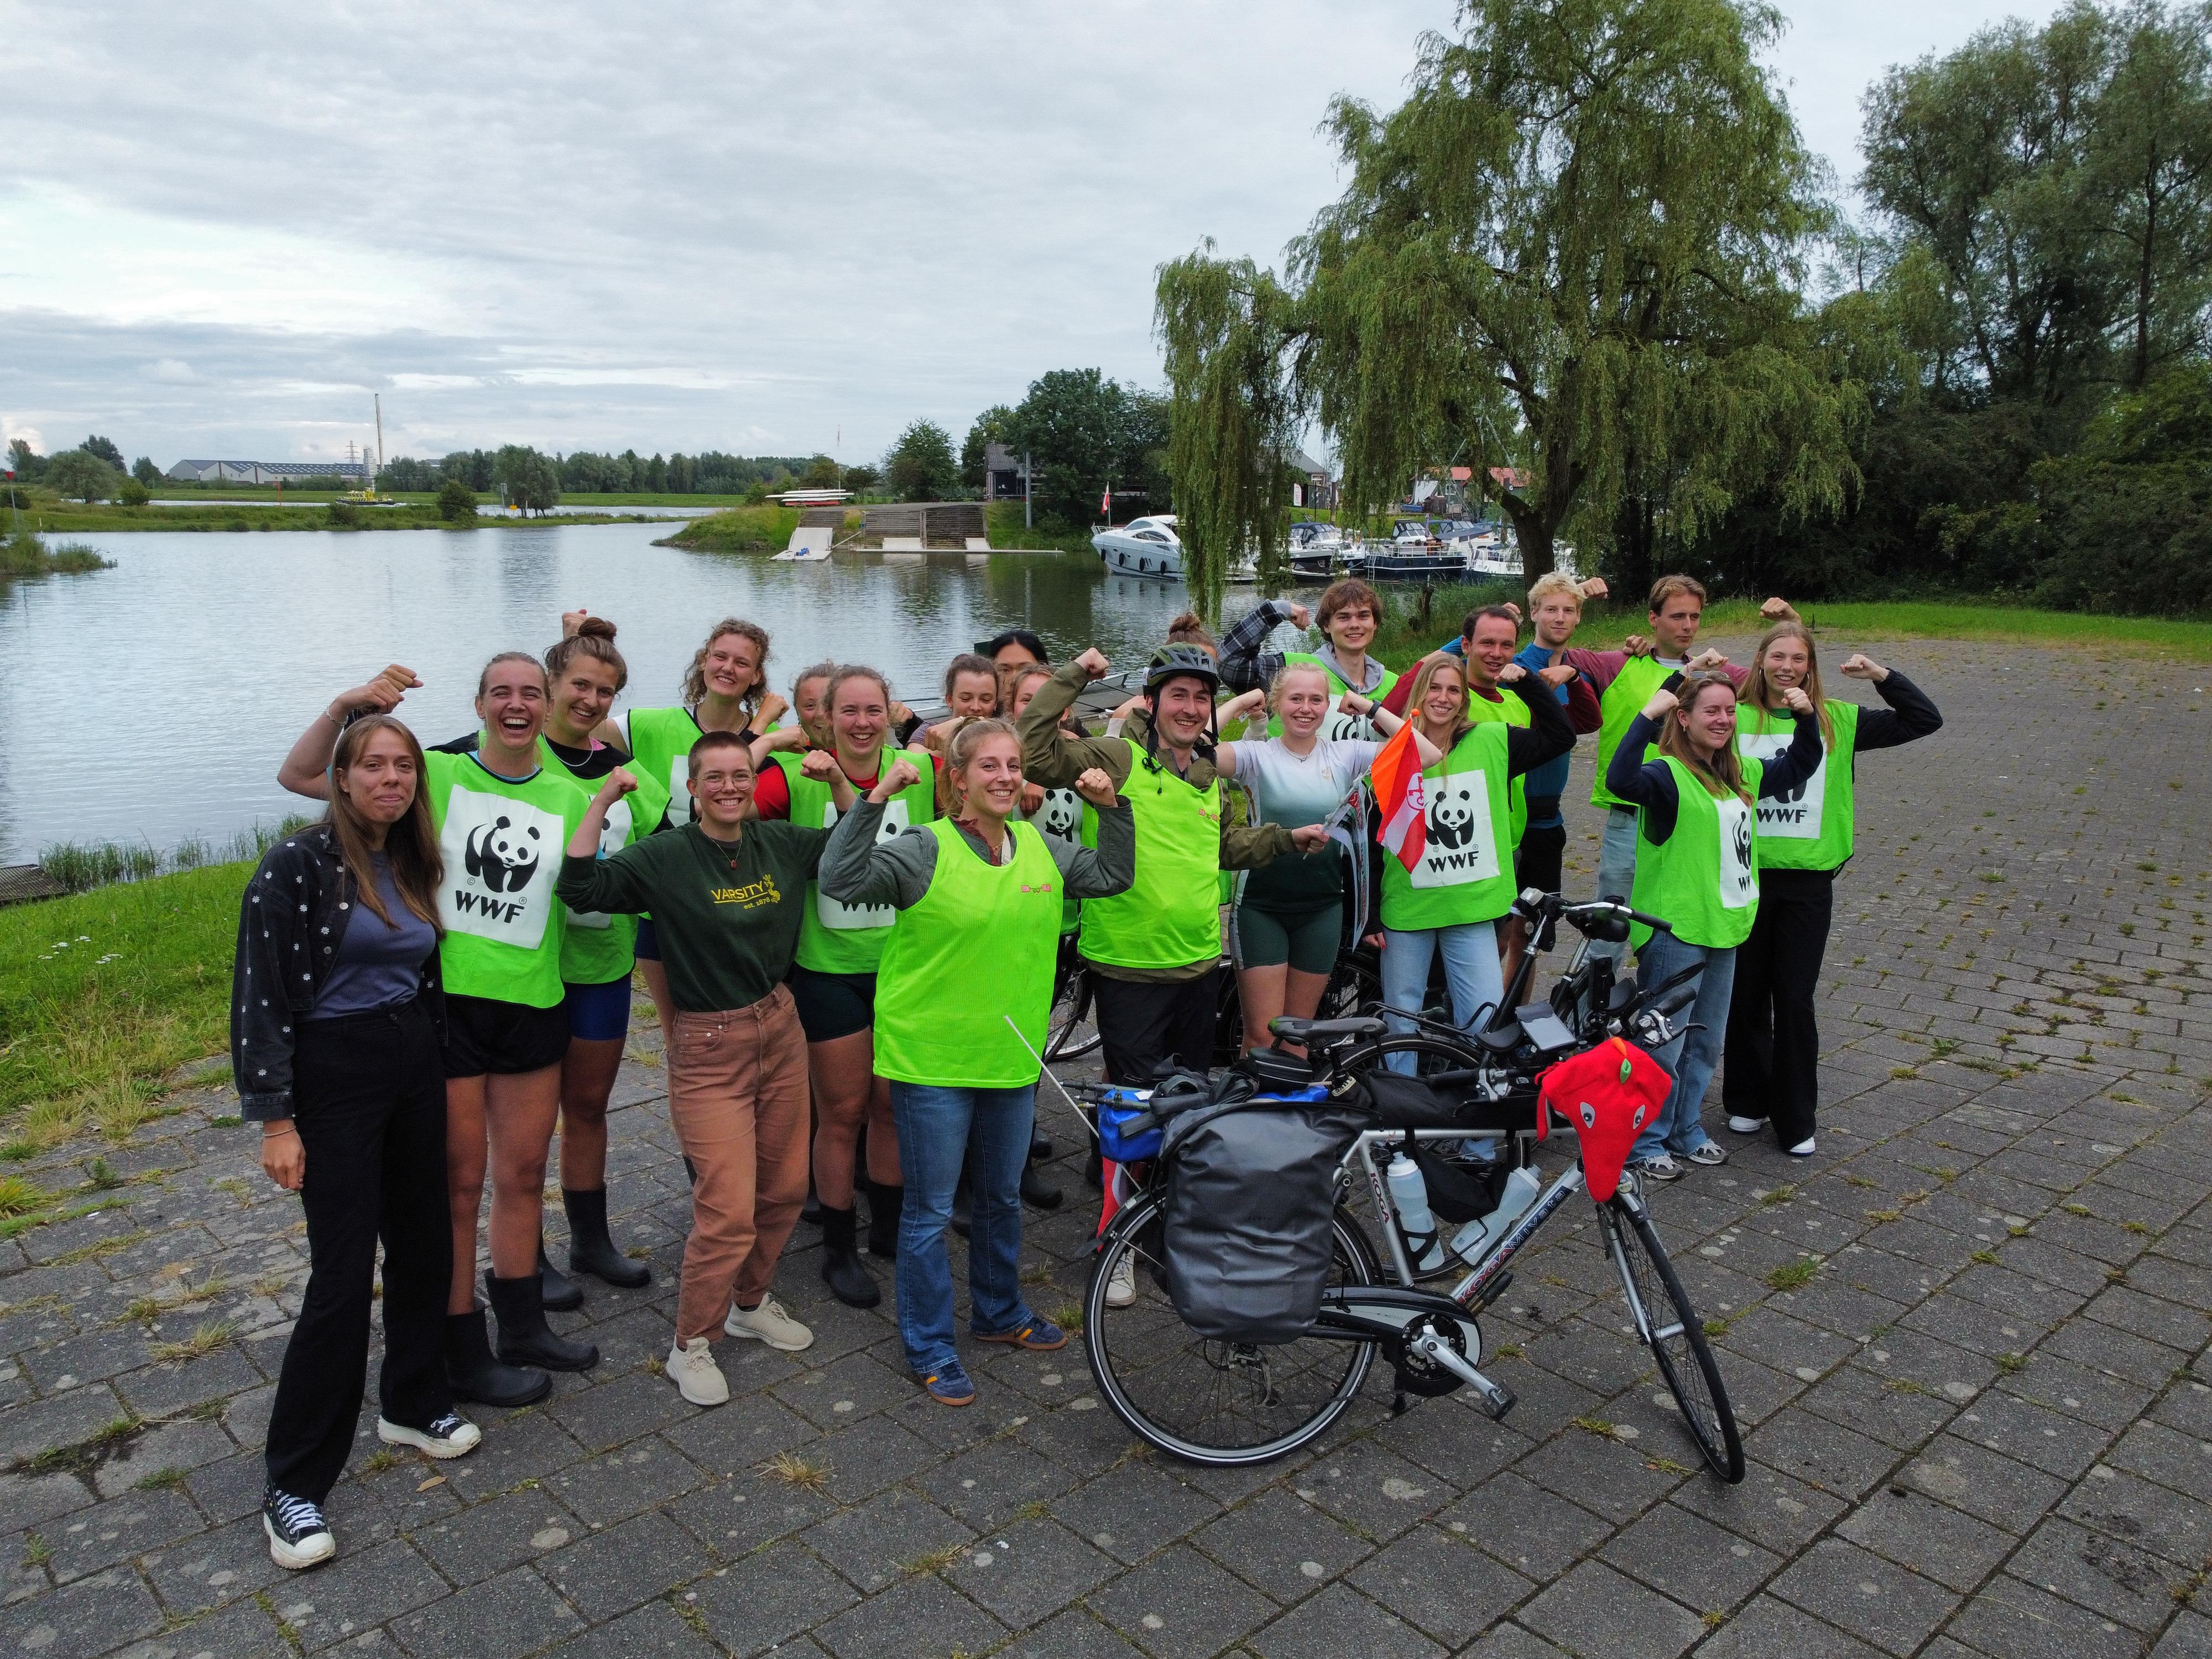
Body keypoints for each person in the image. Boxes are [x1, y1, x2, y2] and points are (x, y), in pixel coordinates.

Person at [278, 657, 597, 1406]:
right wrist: (342, 705)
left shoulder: (573, 792)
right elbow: (301, 778)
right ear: (481, 704)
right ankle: (461, 1345)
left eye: (530, 694)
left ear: (548, 705)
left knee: (521, 1177)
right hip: (447, 1008)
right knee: (458, 1186)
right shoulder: (442, 776)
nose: (516, 705)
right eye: (501, 693)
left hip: (534, 1003)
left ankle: (522, 1323)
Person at [820, 722, 1133, 1405]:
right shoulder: (923, 848)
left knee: (998, 1199)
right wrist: (871, 800)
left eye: (1013, 765)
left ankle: (998, 1312)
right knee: (930, 1212)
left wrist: (1113, 809)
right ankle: (929, 1344)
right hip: (932, 1059)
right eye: (987, 765)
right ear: (957, 779)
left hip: (1010, 1058)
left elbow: (1111, 875)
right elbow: (841, 879)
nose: (1002, 776)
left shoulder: (1042, 848)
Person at [236, 715, 477, 1571]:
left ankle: (413, 1400)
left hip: (411, 1057)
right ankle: (294, 1484)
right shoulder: (296, 866)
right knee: (341, 1278)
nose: (391, 779)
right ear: (340, 778)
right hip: (332, 1076)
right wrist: (275, 1118)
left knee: (424, 1243)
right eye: (373, 766)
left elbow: (420, 968)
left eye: (404, 766)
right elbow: (259, 997)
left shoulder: (412, 857)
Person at [1018, 643, 1328, 1305]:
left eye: (1200, 697)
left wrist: (1282, 839)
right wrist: (1076, 674)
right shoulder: (1119, 758)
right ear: (1154, 703)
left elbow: (1222, 846)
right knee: (1133, 1109)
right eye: (1178, 695)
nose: (1190, 708)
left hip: (1197, 963)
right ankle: (1117, 1243)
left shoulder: (1209, 775)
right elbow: (1035, 751)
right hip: (1129, 966)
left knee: (1186, 1108)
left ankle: (1168, 1224)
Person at [555, 734, 838, 1405]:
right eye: (714, 778)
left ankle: (751, 1302)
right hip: (710, 1047)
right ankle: (693, 1343)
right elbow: (582, 884)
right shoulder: (666, 856)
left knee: (784, 1189)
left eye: (740, 775)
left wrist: (841, 787)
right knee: (728, 1208)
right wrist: (603, 798)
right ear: (693, 788)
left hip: (780, 1027)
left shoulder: (779, 843)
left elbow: (848, 849)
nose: (729, 788)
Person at [447, 620, 666, 1305]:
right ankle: (525, 1253)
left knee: (589, 1106)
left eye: (606, 691)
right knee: (521, 1130)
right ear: (549, 687)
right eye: (579, 685)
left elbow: (660, 863)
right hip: (520, 970)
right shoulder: (500, 754)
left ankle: (591, 1240)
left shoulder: (635, 779)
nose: (591, 699)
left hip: (598, 964)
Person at [752, 665, 937, 1307]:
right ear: (824, 717)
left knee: (891, 1107)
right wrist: (767, 740)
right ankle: (837, 1247)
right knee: (841, 1112)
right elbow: (721, 801)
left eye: (873, 710)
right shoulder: (799, 778)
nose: (861, 723)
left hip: (904, 966)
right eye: (848, 712)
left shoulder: (923, 771)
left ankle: (887, 1230)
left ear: (890, 711)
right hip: (829, 969)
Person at [1724, 627, 1942, 1155]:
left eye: (1799, 659)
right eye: (1778, 656)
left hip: (1807, 882)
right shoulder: (1733, 716)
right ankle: (1747, 1101)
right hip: (1743, 875)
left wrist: (1881, 677)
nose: (1787, 666)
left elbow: (1924, 720)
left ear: (1810, 666)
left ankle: (1796, 1116)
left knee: (1795, 998)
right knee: (1746, 995)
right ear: (1760, 661)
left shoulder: (1838, 719)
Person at [1603, 673, 1822, 1181]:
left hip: (1725, 927)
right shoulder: (1665, 775)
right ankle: (1644, 1142)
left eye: (1729, 712)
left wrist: (1807, 719)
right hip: (1676, 931)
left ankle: (1684, 1130)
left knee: (1703, 1043)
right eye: (1711, 712)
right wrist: (1646, 715)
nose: (1723, 720)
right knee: (1664, 1045)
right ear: (1684, 718)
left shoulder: (1739, 771)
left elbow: (1800, 765)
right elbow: (1620, 781)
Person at [1212, 664, 1441, 1053]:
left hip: (1322, 907)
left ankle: (1293, 1113)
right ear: (1276, 704)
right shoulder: (1254, 756)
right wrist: (1241, 702)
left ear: (1329, 705)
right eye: (1295, 699)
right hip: (1261, 906)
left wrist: (1369, 707)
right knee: (1262, 1036)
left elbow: (1428, 753)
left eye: (1316, 699)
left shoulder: (1347, 754)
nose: (1306, 708)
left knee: (1300, 1035)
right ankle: (1253, 1110)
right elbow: (1192, 751)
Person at [1570, 578, 1794, 963]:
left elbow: (1788, 673)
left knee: (1678, 929)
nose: (1688, 625)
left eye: (1695, 616)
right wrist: (1574, 596)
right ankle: (1590, 1014)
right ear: (1653, 619)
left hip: (1693, 822)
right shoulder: (1621, 662)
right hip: (1630, 814)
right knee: (1609, 931)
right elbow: (1549, 652)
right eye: (1677, 616)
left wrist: (1792, 621)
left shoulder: (1721, 674)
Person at [1368, 654, 1572, 1070]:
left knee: (1483, 1017)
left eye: (1454, 690)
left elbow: (1561, 736)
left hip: (1473, 908)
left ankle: (1473, 1128)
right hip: (1408, 907)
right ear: (1420, 695)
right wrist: (1370, 913)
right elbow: (1375, 837)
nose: (1443, 698)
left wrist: (1528, 684)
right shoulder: (1393, 751)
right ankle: (1399, 1116)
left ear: (1464, 700)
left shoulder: (1494, 740)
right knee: (1401, 1019)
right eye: (1435, 688)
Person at [608, 617, 786, 1033]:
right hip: (664, 912)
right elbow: (566, 727)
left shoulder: (778, 742)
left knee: (740, 1038)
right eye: (719, 656)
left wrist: (765, 732)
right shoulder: (648, 725)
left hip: (739, 913)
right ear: (704, 660)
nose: (728, 668)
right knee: (680, 1040)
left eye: (742, 662)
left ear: (756, 675)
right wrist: (576, 643)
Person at [1510, 573, 1609, 900]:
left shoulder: (1573, 668)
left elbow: (1588, 723)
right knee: (1499, 926)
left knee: (1535, 926)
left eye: (1568, 610)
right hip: (1511, 815)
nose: (1560, 618)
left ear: (1579, 617)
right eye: (1551, 609)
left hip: (1549, 819)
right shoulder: (1515, 667)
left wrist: (1574, 676)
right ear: (1534, 613)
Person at [1220, 581, 1395, 739]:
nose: (1355, 624)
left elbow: (1417, 747)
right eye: (1344, 617)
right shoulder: (1290, 670)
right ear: (1327, 626)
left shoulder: (1394, 684)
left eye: (1363, 616)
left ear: (1375, 624)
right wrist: (1276, 610)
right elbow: (1229, 661)